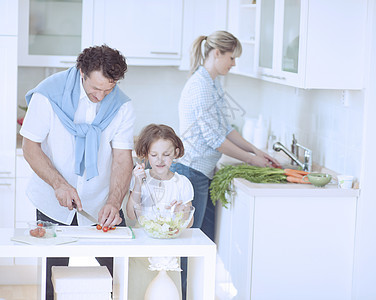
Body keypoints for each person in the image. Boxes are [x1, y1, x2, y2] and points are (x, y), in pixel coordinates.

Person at [171, 30, 281, 299]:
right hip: (191, 171)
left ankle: (198, 293)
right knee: (192, 243)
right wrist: (252, 160)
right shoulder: (199, 87)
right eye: (232, 57)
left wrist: (257, 151)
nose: (234, 63)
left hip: (202, 172)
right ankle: (185, 294)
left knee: (205, 242)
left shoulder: (213, 84)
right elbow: (214, 139)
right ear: (217, 53)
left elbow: (226, 129)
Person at [20, 45, 135, 299]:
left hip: (100, 203)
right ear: (81, 72)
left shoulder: (122, 106)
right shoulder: (48, 94)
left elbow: (122, 159)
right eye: (96, 88)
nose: (102, 96)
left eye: (110, 89)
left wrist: (114, 203)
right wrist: (59, 184)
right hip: (52, 200)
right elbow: (30, 146)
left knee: (121, 275)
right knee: (51, 280)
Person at [126, 124, 194, 299]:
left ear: (176, 153)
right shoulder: (141, 179)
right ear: (146, 154)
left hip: (169, 255)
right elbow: (132, 215)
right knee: (138, 291)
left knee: (167, 293)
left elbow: (189, 223)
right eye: (154, 155)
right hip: (141, 251)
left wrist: (181, 213)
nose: (160, 160)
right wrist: (138, 184)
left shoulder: (182, 183)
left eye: (166, 154)